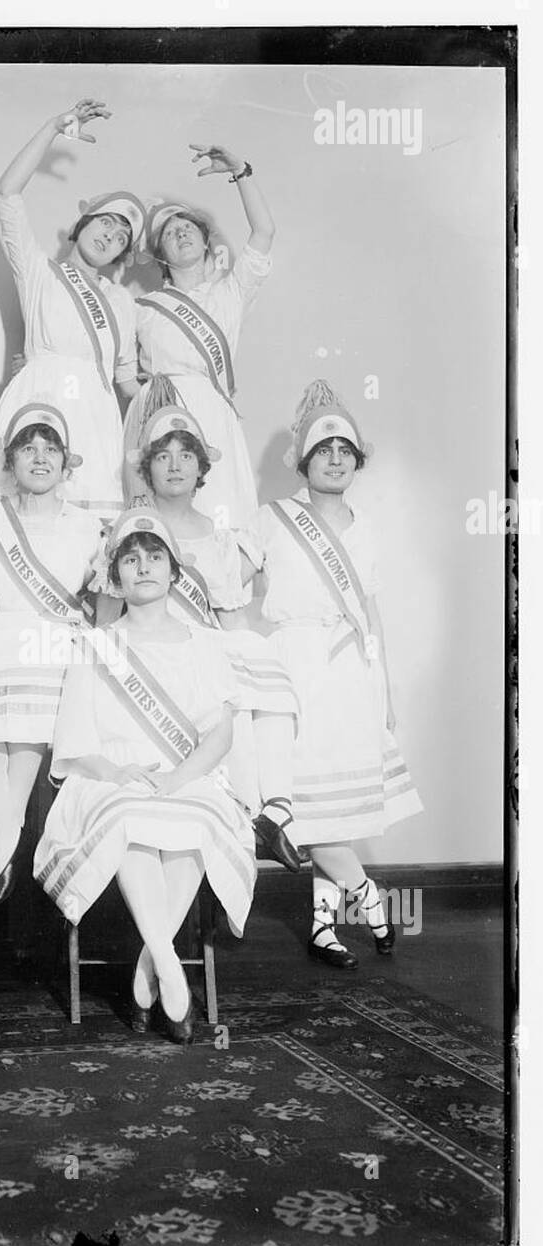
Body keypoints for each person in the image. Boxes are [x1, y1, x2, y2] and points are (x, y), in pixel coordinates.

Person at [34, 510, 278, 1045]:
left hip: (189, 775)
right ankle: (170, 969)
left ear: (174, 572)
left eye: (155, 556)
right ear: (114, 577)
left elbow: (220, 733)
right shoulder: (94, 645)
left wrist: (178, 778)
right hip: (111, 778)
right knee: (129, 816)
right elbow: (75, 743)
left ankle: (150, 965)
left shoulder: (205, 643)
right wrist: (117, 771)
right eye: (130, 557)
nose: (143, 566)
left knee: (198, 817)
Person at [244, 381, 423, 968]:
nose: (336, 459)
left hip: (354, 672)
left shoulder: (366, 527)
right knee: (310, 801)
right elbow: (228, 582)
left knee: (335, 809)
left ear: (358, 460)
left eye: (346, 450)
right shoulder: (272, 519)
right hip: (295, 665)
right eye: (325, 450)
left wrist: (386, 689)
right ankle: (371, 903)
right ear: (304, 460)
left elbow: (371, 614)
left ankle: (323, 928)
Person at [99, 405, 301, 871]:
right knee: (233, 691)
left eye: (186, 455)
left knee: (256, 671)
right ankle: (254, 810)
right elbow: (107, 619)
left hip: (204, 652)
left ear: (201, 468)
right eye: (163, 456)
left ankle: (275, 809)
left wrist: (250, 668)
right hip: (152, 657)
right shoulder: (128, 529)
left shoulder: (217, 536)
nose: (174, 465)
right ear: (146, 466)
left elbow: (229, 618)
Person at [0, 403, 102, 905]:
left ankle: (2, 844)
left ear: (65, 464)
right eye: (28, 449)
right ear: (10, 461)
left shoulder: (87, 526)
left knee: (29, 713)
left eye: (50, 449)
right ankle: (9, 838)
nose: (40, 459)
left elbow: (101, 606)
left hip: (60, 645)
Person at [0, 98, 145, 519]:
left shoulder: (122, 302)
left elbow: (126, 380)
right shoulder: (37, 271)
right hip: (38, 396)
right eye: (106, 222)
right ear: (83, 223)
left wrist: (172, 410)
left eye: (122, 237)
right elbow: (7, 194)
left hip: (95, 415)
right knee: (17, 517)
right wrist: (52, 128)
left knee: (89, 534)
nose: (111, 236)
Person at [123, 141, 275, 526]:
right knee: (157, 528)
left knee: (220, 517)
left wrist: (240, 171)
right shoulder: (140, 308)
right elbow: (119, 372)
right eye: (171, 233)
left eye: (188, 228)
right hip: (156, 416)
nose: (181, 234)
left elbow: (264, 231)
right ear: (160, 254)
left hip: (212, 415)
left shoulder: (230, 292)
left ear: (206, 242)